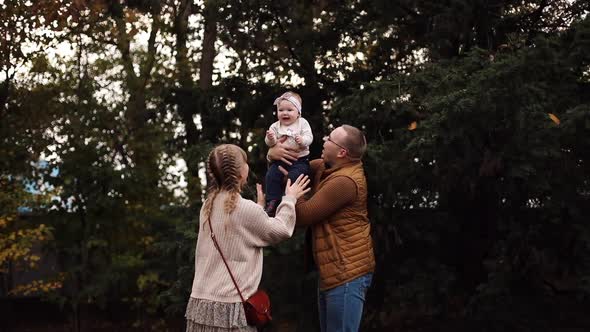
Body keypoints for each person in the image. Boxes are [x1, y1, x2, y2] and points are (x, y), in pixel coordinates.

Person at [185, 144, 310, 332]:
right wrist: (290, 199)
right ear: (241, 173)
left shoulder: (207, 205)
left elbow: (238, 231)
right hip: (230, 308)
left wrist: (258, 208)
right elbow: (280, 230)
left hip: (200, 305)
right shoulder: (245, 209)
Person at [268, 125, 375, 332]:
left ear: (342, 152)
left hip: (346, 272)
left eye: (330, 139)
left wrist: (291, 196)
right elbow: (296, 164)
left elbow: (304, 215)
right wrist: (272, 153)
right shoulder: (327, 168)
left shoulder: (346, 181)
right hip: (332, 271)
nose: (324, 140)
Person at [264, 91, 313, 216]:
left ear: (298, 113)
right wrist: (271, 138)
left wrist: (302, 141)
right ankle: (272, 201)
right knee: (271, 175)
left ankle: (288, 201)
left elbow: (309, 137)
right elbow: (270, 144)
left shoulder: (302, 123)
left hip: (299, 160)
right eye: (281, 110)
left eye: (289, 110)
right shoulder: (275, 126)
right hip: (279, 161)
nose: (285, 113)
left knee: (295, 176)